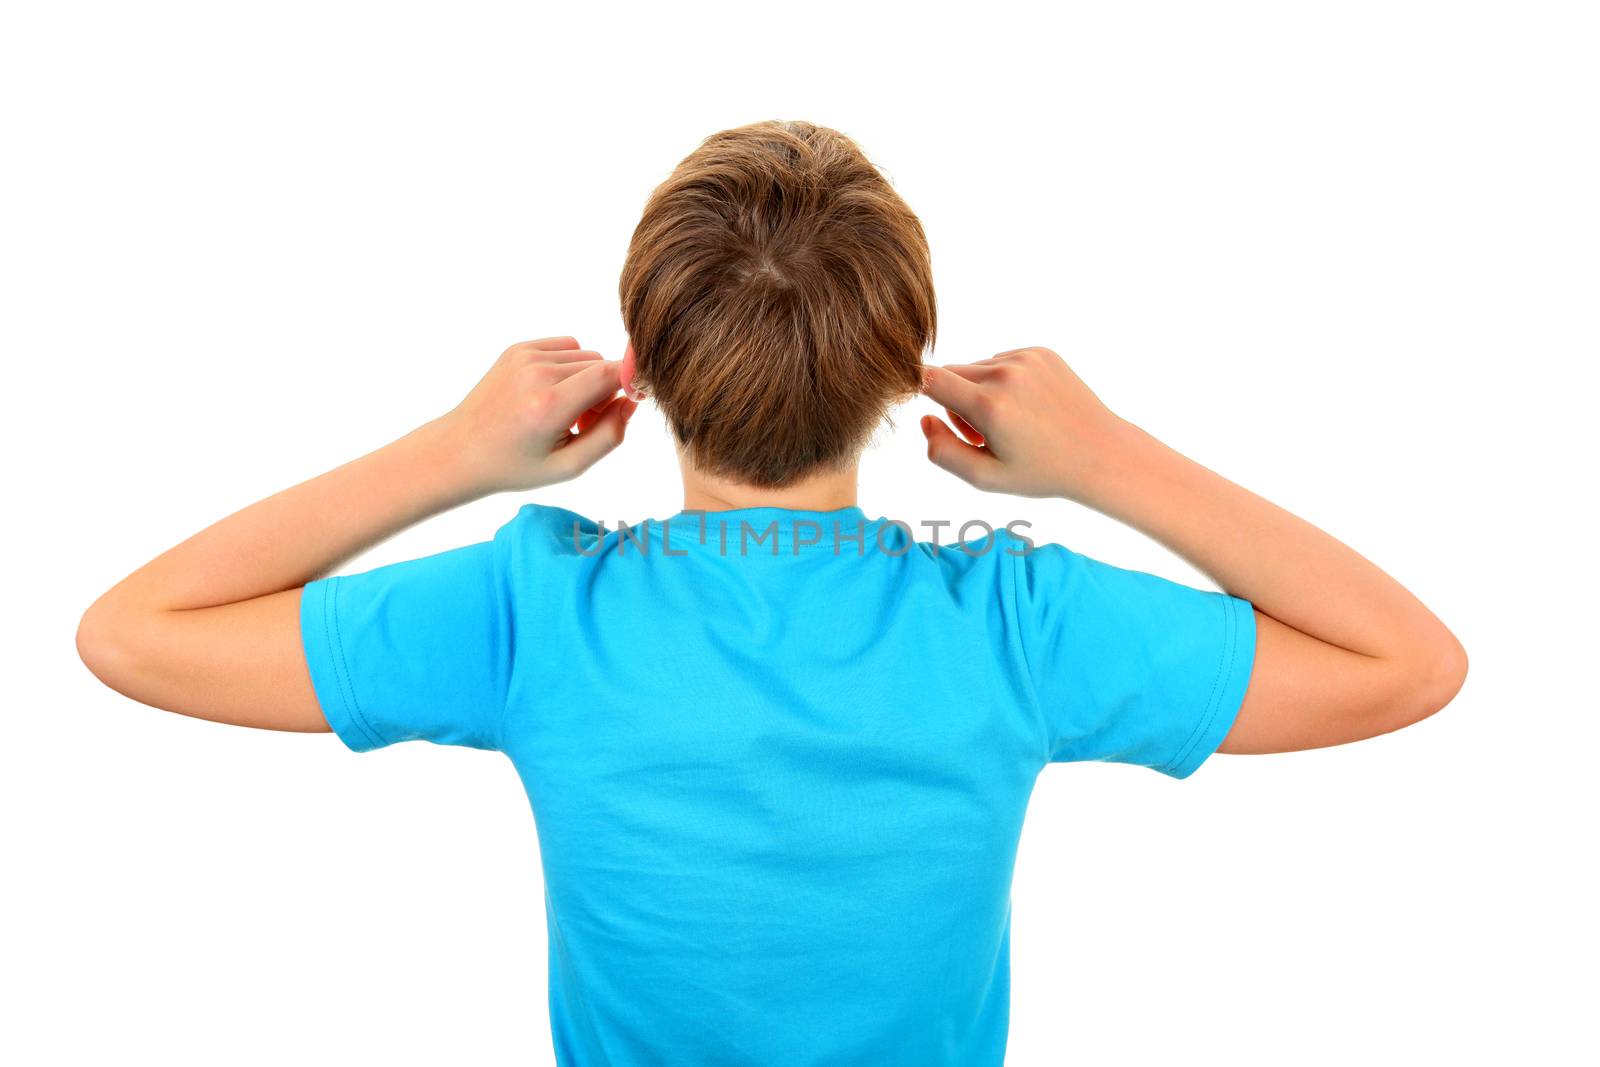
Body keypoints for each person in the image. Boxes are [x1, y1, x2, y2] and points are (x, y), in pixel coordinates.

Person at [76, 120, 1467, 1066]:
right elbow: (1405, 664)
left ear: (646, 365)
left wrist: (453, 454)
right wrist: (1106, 462)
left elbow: (135, 634)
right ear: (899, 363)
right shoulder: (1014, 627)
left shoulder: (536, 615)